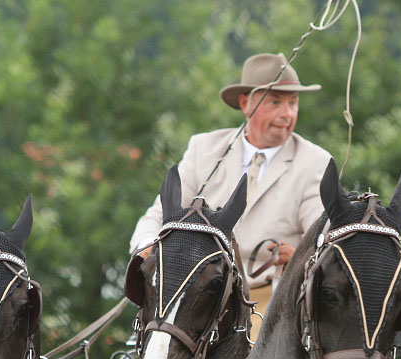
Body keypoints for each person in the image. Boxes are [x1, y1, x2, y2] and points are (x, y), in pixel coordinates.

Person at [129, 53, 332, 338]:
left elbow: (324, 236)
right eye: (275, 102)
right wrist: (147, 248)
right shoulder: (203, 148)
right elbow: (159, 216)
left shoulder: (316, 162)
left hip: (271, 300)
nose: (287, 114)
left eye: (293, 103)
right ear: (245, 104)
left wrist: (301, 253)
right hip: (198, 296)